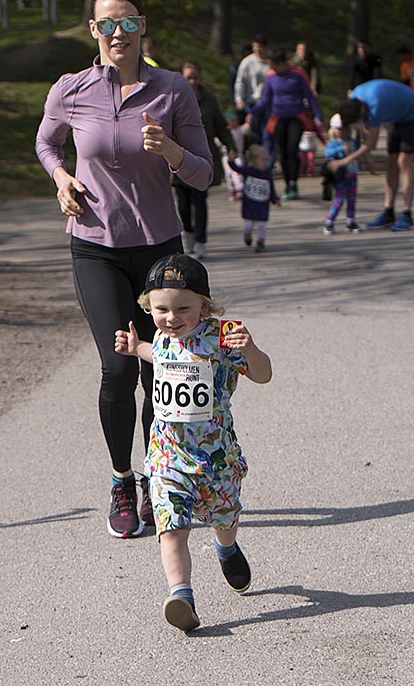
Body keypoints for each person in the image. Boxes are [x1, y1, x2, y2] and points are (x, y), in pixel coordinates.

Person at [35, 0, 213, 539]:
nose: (118, 34)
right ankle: (121, 480)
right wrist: (62, 178)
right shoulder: (71, 90)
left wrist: (172, 153)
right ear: (93, 31)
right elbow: (46, 144)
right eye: (107, 24)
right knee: (117, 368)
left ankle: (160, 480)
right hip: (94, 246)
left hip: (160, 253)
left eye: (128, 23)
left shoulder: (172, 90)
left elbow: (205, 173)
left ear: (143, 28)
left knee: (156, 368)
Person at [113, 253, 273, 631]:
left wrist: (249, 348)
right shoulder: (163, 338)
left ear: (204, 304)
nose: (171, 318)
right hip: (169, 457)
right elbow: (162, 356)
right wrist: (137, 349)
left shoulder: (221, 338)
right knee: (171, 526)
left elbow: (263, 375)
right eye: (161, 309)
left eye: (183, 308)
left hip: (216, 458)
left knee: (224, 516)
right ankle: (180, 595)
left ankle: (226, 547)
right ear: (147, 307)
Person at [339, 78, 414, 231]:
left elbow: (371, 144)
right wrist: (367, 157)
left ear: (362, 110)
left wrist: (345, 160)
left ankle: (407, 214)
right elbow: (363, 132)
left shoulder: (375, 106)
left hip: (413, 111)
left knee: (404, 161)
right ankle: (388, 211)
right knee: (391, 160)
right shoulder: (354, 99)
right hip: (395, 114)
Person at [247, 46, 323, 201]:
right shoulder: (271, 76)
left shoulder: (298, 74)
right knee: (282, 151)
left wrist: (319, 116)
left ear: (280, 62)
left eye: (272, 64)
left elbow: (309, 95)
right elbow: (266, 99)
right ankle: (288, 184)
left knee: (292, 148)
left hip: (296, 117)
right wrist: (253, 112)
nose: (270, 67)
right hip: (278, 118)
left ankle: (294, 182)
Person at [178, 61, 236, 259]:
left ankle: (201, 241)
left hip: (202, 158)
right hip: (178, 158)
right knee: (184, 206)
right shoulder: (174, 97)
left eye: (195, 77)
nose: (192, 81)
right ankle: (189, 234)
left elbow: (221, 126)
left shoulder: (208, 100)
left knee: (200, 201)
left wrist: (231, 147)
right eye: (188, 78)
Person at [323, 113, 370, 234]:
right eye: (339, 129)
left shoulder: (352, 141)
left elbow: (362, 146)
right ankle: (329, 222)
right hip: (341, 176)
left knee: (352, 199)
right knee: (339, 200)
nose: (342, 132)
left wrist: (360, 131)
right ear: (333, 130)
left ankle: (350, 221)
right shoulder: (333, 143)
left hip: (352, 174)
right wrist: (340, 149)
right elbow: (327, 153)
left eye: (344, 129)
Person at [228, 145, 281, 252]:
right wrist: (231, 161)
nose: (265, 163)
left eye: (266, 160)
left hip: (262, 204)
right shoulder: (249, 170)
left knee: (262, 224)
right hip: (250, 203)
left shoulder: (267, 174)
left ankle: (261, 241)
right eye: (262, 160)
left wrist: (275, 199)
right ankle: (247, 234)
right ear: (253, 161)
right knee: (248, 224)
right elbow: (237, 169)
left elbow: (270, 188)